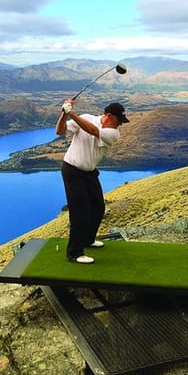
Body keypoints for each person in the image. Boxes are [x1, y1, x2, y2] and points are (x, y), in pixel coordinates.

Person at [55, 99, 129, 264]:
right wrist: (63, 114)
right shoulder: (87, 117)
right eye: (119, 121)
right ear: (109, 116)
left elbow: (93, 131)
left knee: (98, 207)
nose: (120, 125)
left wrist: (72, 113)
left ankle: (88, 240)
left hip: (89, 173)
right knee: (80, 213)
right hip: (72, 171)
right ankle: (74, 253)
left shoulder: (114, 134)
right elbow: (60, 131)